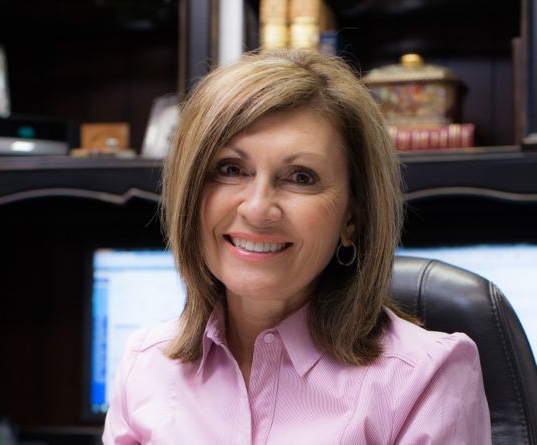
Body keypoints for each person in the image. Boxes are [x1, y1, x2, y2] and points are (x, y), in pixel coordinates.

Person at [103, 49, 491, 444]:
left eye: (301, 177)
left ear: (352, 218)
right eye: (231, 169)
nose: (257, 209)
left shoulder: (426, 379)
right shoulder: (146, 365)